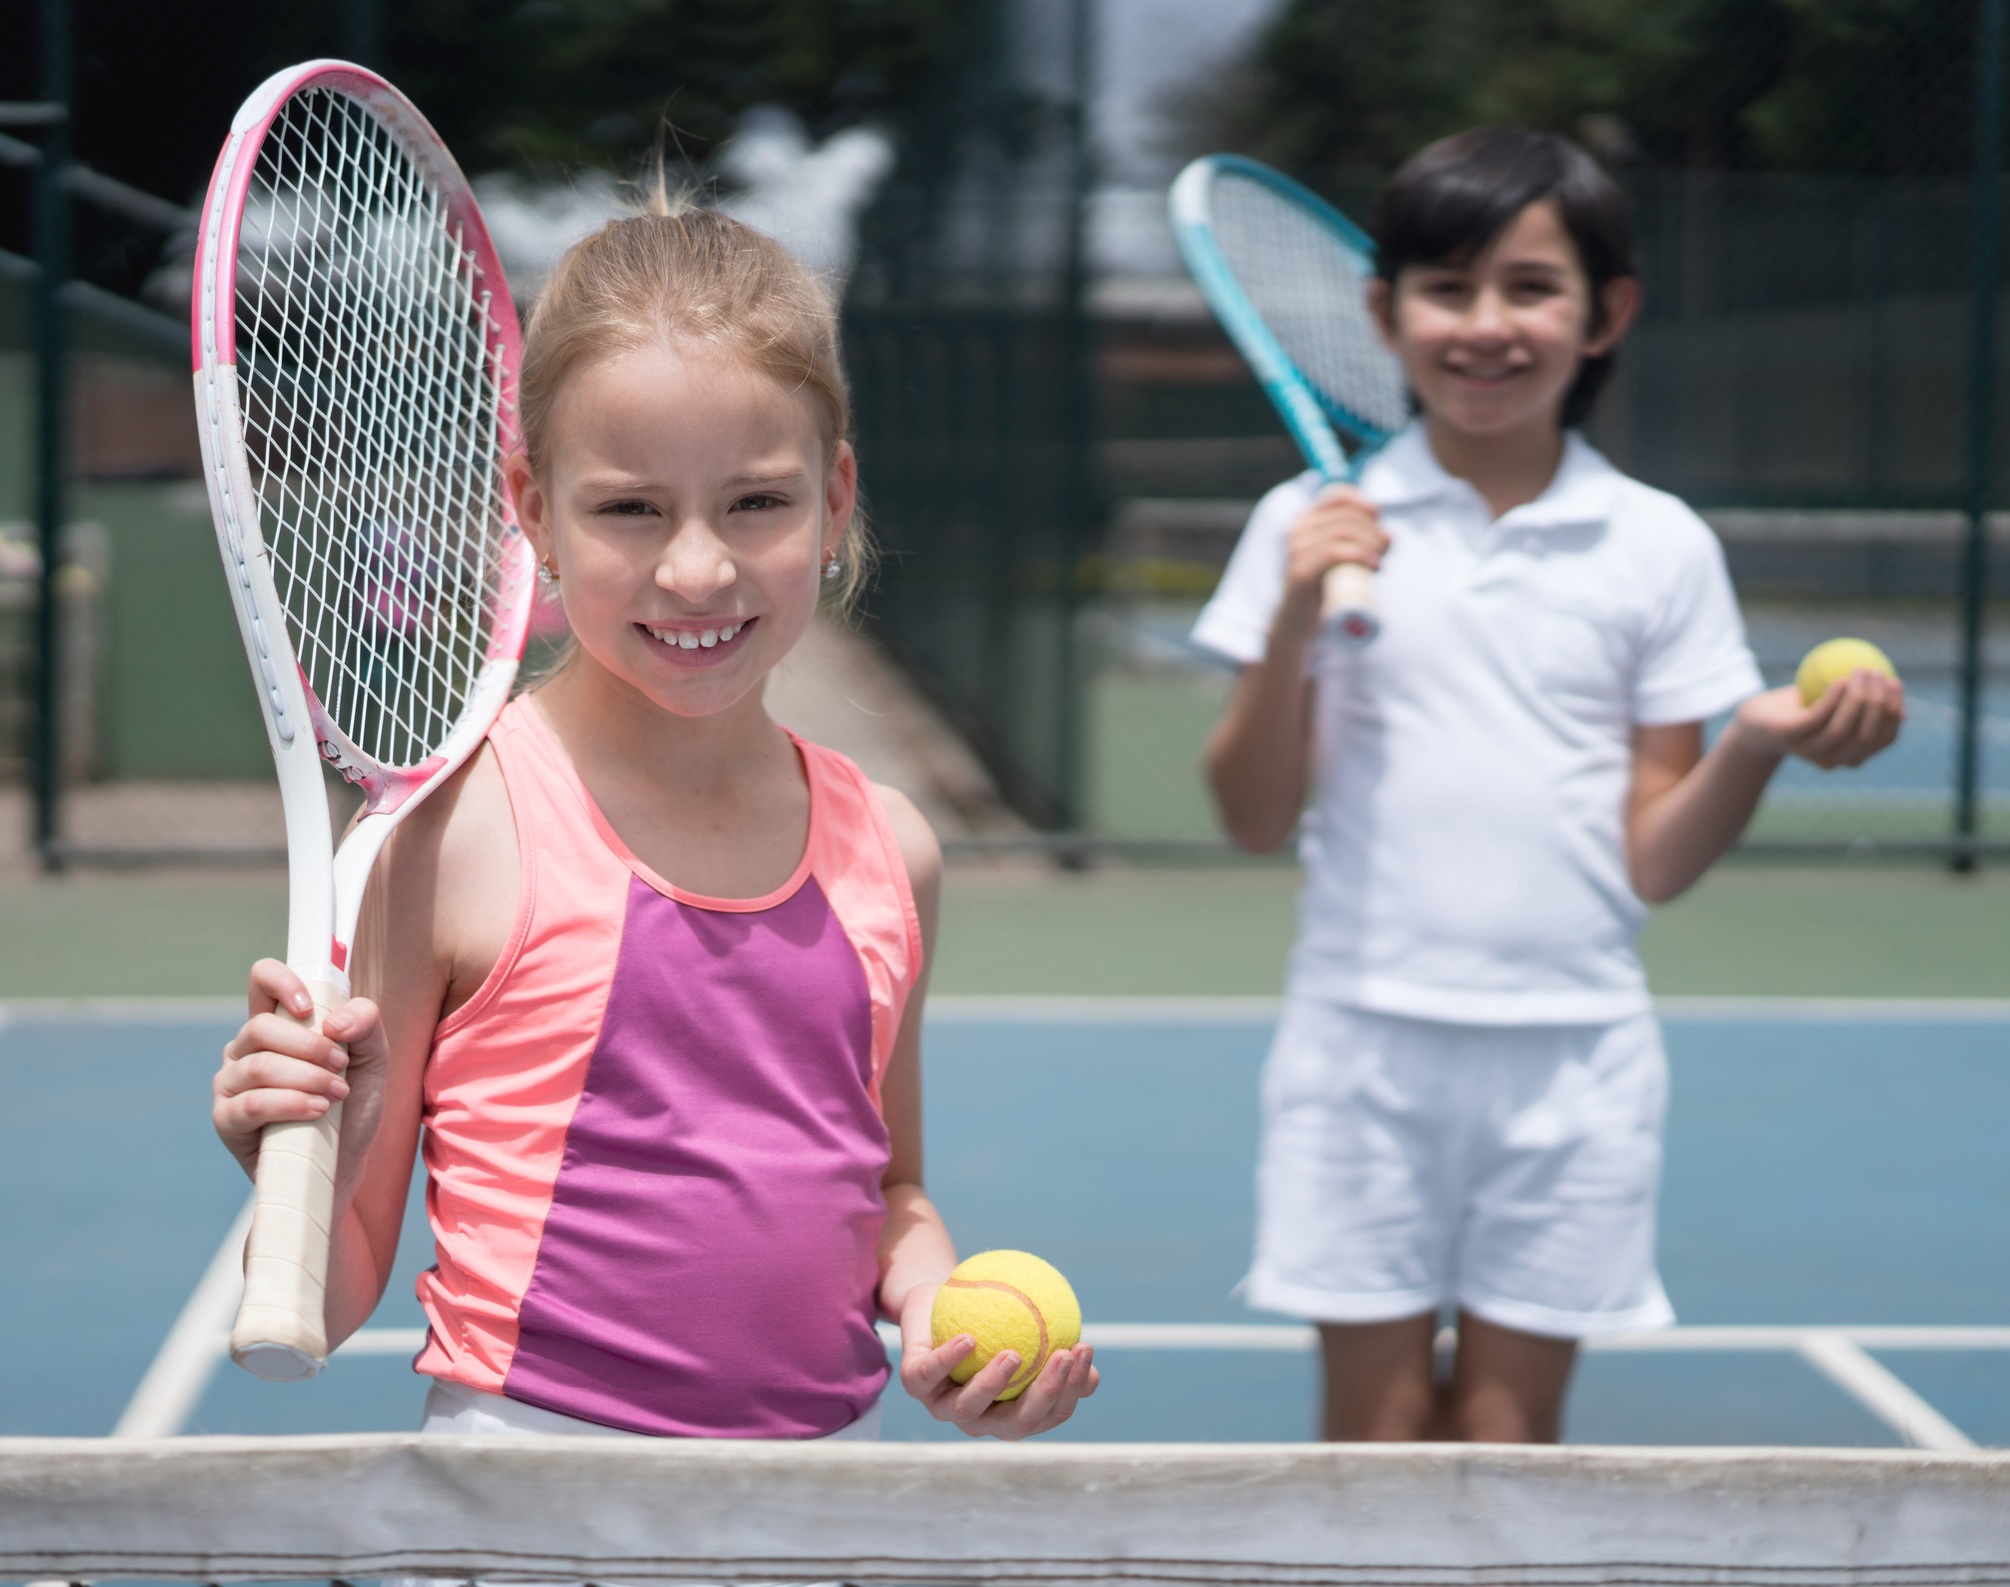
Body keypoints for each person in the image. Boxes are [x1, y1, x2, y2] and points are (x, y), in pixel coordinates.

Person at [210, 197, 1097, 1445]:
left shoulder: (890, 849)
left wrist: (938, 1300)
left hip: (816, 1504)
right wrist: (296, 1166)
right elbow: (334, 1288)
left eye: (756, 504)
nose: (697, 569)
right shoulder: (452, 835)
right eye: (631, 509)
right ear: (534, 509)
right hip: (529, 1489)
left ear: (834, 500)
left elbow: (886, 1183)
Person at [1192, 128, 1902, 1444]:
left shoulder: (1655, 545)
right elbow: (1246, 816)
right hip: (1360, 1053)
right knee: (1374, 1449)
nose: (1484, 324)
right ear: (1380, 312)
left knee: (1508, 1456)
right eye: (1446, 287)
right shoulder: (1307, 523)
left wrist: (1749, 739)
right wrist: (1295, 609)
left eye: (1528, 286)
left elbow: (1657, 860)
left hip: (1575, 1065)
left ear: (1604, 313)